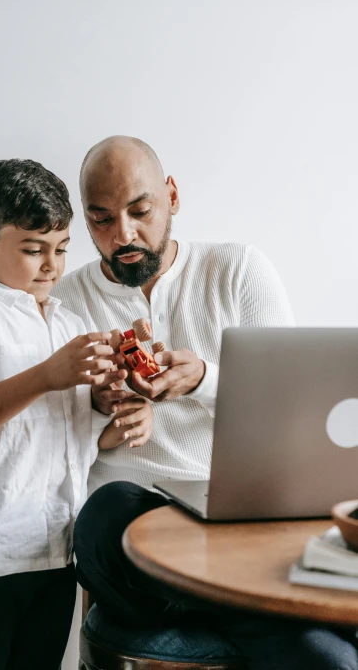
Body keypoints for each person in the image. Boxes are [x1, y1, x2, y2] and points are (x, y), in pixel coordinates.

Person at [52, 136, 358, 670]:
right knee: (103, 514)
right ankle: (271, 613)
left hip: (235, 525)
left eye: (140, 210)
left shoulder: (238, 270)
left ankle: (235, 609)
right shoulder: (65, 302)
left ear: (171, 196)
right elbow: (44, 446)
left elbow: (296, 420)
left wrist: (204, 381)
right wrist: (99, 405)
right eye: (100, 220)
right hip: (130, 528)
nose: (122, 234)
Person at [0, 158, 154, 670]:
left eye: (62, 249)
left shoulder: (67, 321)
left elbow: (76, 438)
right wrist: (49, 374)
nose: (51, 265)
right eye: (33, 250)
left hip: (54, 552)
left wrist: (114, 412)